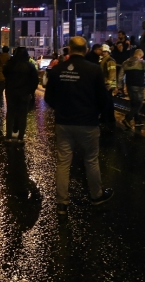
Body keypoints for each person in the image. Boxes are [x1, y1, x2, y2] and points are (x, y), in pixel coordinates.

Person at [44, 36, 114, 216]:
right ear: (86, 49)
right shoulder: (94, 70)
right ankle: (96, 196)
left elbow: (48, 98)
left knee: (63, 162)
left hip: (64, 122)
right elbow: (102, 98)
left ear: (69, 48)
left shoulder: (57, 69)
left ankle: (62, 204)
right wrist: (96, 113)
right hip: (88, 122)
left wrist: (61, 110)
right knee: (91, 159)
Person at [3, 47, 39, 142]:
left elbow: (5, 74)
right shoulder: (30, 66)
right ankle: (20, 137)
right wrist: (31, 91)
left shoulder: (10, 65)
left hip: (11, 92)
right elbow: (35, 80)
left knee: (10, 113)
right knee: (22, 115)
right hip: (24, 93)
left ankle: (8, 136)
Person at [121, 49, 145, 129]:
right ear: (141, 55)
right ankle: (128, 118)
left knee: (134, 103)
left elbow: (120, 75)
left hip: (129, 85)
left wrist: (120, 86)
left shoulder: (125, 62)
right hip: (138, 85)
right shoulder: (141, 63)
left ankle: (137, 120)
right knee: (139, 103)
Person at [99, 44, 117, 128]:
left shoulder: (110, 60)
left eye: (105, 51)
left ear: (108, 52)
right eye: (103, 51)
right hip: (106, 84)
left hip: (108, 85)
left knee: (107, 102)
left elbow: (112, 73)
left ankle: (106, 118)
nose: (103, 53)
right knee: (108, 102)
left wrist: (108, 84)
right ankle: (109, 118)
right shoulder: (104, 60)